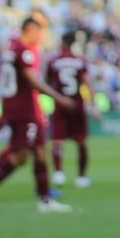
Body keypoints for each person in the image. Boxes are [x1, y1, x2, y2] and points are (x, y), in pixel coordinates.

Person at [0, 15, 77, 216]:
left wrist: (4, 111)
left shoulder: (10, 50)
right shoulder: (24, 51)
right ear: (30, 30)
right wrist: (59, 98)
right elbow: (32, 81)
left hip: (18, 108)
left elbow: (7, 82)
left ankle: (45, 200)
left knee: (41, 151)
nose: (41, 36)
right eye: (39, 32)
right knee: (20, 156)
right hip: (25, 110)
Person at [46, 30, 96, 189]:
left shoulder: (53, 61)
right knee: (81, 141)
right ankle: (81, 177)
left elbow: (48, 82)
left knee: (58, 141)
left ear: (62, 43)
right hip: (77, 104)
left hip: (60, 103)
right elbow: (88, 83)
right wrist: (93, 105)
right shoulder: (80, 61)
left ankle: (59, 174)